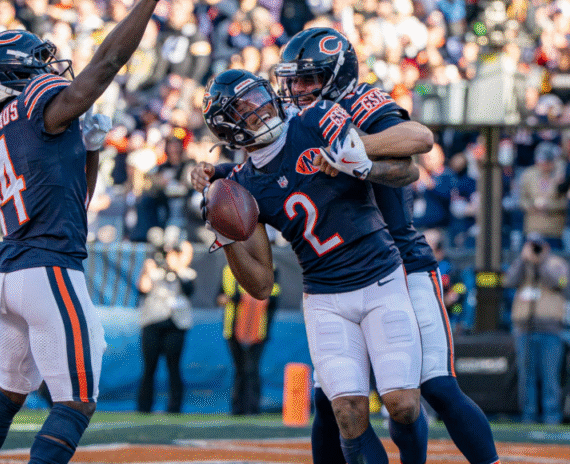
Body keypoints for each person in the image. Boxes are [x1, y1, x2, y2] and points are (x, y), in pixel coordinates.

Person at [0, 0, 192, 464]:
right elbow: (109, 61)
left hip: (10, 272)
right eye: (39, 64)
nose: (52, 70)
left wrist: (91, 151)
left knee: (10, 391)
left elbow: (75, 199)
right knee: (77, 402)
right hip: (48, 268)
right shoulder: (35, 106)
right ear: (17, 75)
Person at [272, 27, 500, 464]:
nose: (296, 89)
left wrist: (351, 148)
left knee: (432, 385)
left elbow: (416, 141)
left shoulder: (360, 103)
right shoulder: (295, 121)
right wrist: (222, 173)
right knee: (330, 400)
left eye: (307, 79)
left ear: (336, 77)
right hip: (340, 274)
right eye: (293, 79)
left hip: (401, 262)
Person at [196, 69, 427, 464]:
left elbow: (410, 167)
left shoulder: (316, 118)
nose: (259, 108)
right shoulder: (242, 186)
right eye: (244, 108)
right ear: (229, 128)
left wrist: (362, 161)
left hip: (381, 276)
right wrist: (229, 240)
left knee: (403, 404)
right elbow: (261, 285)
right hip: (324, 296)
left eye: (257, 97)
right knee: (347, 413)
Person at [503, 233, 568, 425]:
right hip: (524, 328)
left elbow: (559, 282)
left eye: (538, 245)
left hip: (550, 328)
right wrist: (524, 261)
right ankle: (528, 415)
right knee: (526, 375)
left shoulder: (557, 263)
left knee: (550, 375)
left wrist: (541, 262)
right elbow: (509, 281)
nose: (535, 249)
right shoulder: (522, 263)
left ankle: (552, 416)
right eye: (532, 245)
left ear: (547, 246)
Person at [136, 238, 196, 414]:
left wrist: (177, 269)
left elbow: (189, 290)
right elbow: (143, 289)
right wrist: (147, 270)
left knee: (174, 367)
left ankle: (174, 407)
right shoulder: (154, 272)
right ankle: (144, 407)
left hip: (176, 325)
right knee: (149, 368)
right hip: (153, 323)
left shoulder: (187, 273)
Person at [217, 264, 280, 415]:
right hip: (232, 328)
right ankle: (237, 408)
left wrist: (241, 298)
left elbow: (273, 298)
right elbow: (220, 296)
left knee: (251, 369)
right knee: (239, 369)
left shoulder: (269, 268)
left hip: (258, 330)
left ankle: (252, 408)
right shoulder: (228, 269)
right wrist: (227, 299)